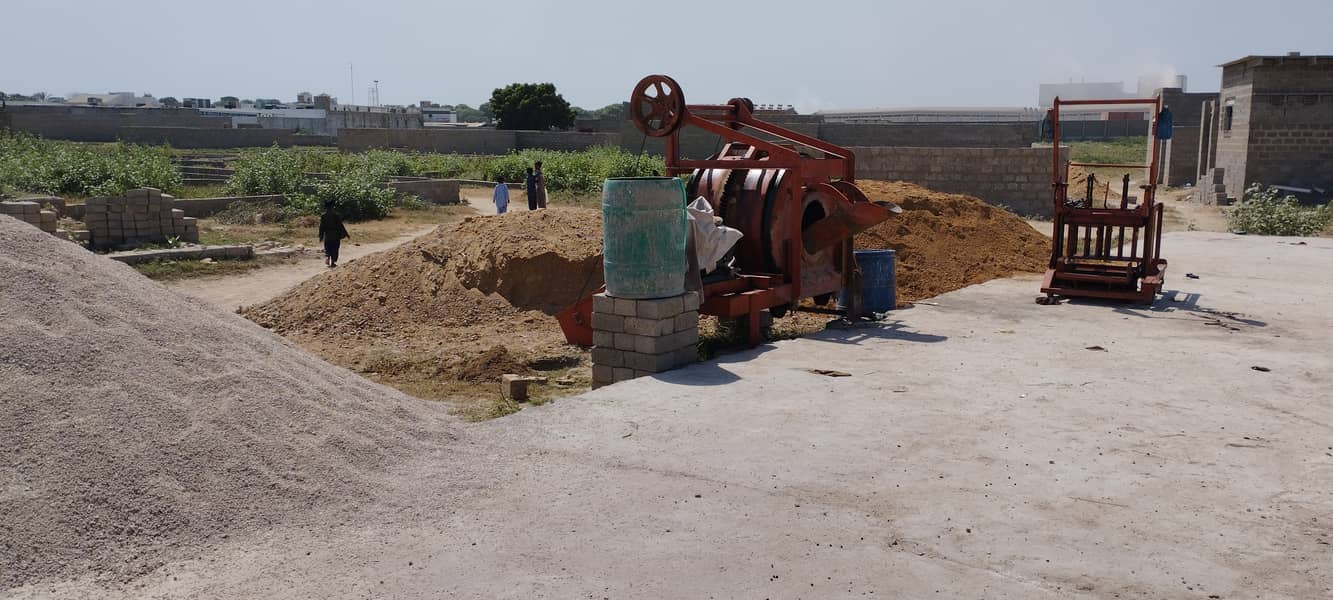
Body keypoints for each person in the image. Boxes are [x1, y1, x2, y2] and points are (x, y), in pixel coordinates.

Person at [317, 201, 349, 268]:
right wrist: (346, 234)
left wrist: (321, 236)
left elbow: (321, 227)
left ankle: (327, 256)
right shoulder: (336, 215)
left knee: (327, 247)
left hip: (327, 234)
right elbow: (341, 225)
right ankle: (333, 262)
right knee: (335, 248)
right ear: (332, 207)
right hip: (335, 235)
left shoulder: (323, 216)